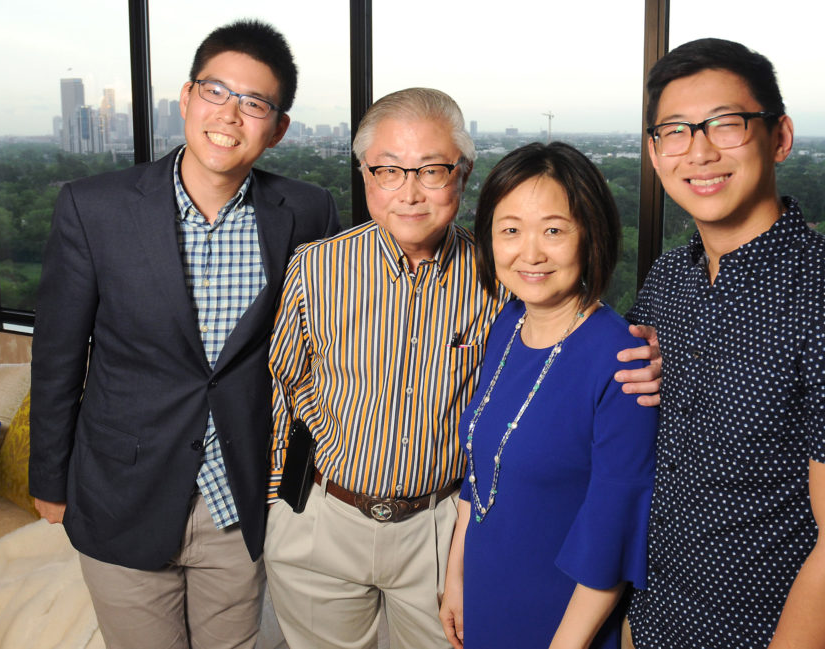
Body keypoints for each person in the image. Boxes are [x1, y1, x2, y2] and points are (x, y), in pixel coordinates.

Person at [264, 88, 660, 649]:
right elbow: (284, 384)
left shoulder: (500, 278)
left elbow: (572, 345)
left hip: (439, 526)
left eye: (431, 170)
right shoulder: (316, 266)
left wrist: (651, 357)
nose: (409, 191)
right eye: (387, 170)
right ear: (364, 174)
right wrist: (283, 508)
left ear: (463, 172)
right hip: (324, 521)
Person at [28, 20, 339, 649]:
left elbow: (345, 329)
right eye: (215, 91)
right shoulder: (95, 206)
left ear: (277, 128)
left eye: (254, 103)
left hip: (241, 495)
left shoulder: (307, 211)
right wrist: (49, 481)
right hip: (123, 491)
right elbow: (59, 355)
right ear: (186, 98)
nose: (230, 114)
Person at [624, 38, 825, 649]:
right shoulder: (667, 281)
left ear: (779, 136)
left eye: (726, 125)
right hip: (644, 619)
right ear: (655, 154)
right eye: (675, 131)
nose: (699, 151)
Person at [438, 142, 657, 649]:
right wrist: (457, 579)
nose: (529, 253)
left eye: (554, 230)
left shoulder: (621, 359)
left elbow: (612, 531)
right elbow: (481, 472)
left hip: (561, 617)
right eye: (510, 230)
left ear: (591, 235)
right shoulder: (507, 325)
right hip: (488, 591)